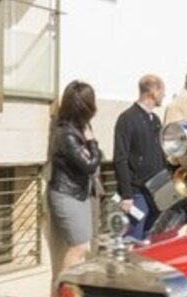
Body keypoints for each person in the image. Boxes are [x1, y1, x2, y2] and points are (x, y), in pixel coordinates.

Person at [48, 80, 102, 270]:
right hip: (67, 194)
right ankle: (63, 291)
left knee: (84, 248)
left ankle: (72, 290)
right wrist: (93, 143)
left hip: (79, 193)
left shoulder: (79, 128)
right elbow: (89, 165)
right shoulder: (67, 134)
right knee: (78, 248)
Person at [112, 74, 167, 240]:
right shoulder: (127, 119)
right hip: (137, 194)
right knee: (133, 239)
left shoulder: (155, 120)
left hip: (156, 191)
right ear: (153, 91)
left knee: (151, 239)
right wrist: (127, 195)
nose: (163, 95)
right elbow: (120, 158)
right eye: (162, 91)